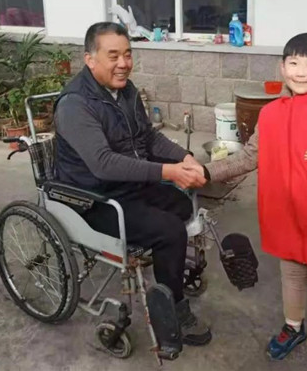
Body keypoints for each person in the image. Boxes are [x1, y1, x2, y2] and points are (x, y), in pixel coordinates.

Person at [200, 33, 307, 360]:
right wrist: (206, 172)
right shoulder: (271, 114)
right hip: (286, 216)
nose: (300, 72)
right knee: (291, 274)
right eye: (293, 63)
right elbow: (249, 156)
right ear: (282, 68)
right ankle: (294, 327)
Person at [53, 22, 211, 345]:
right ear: (90, 59)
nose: (123, 63)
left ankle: (166, 279)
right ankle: (171, 316)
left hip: (127, 187)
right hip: (92, 199)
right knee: (170, 230)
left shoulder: (126, 91)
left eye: (127, 54)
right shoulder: (75, 105)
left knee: (182, 204)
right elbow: (103, 164)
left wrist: (185, 158)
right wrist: (168, 172)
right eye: (113, 56)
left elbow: (148, 137)